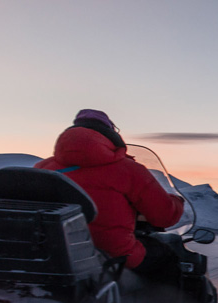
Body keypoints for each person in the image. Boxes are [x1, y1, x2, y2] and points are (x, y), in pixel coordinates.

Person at [34, 109, 185, 279]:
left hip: (53, 251)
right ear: (110, 135)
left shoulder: (42, 168)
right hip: (113, 253)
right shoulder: (128, 169)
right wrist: (176, 201)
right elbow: (164, 217)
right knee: (168, 257)